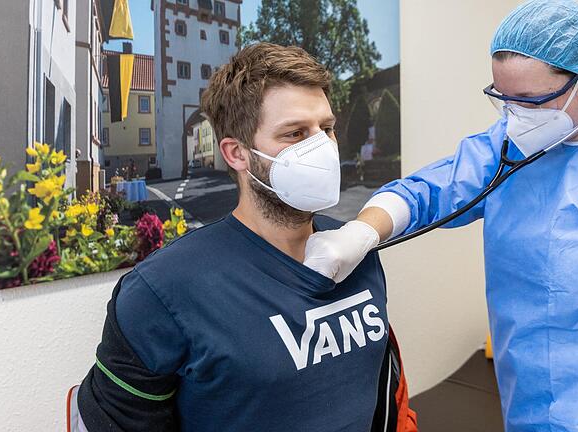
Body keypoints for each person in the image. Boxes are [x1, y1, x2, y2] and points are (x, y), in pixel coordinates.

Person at [302, 1, 578, 431]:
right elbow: (431, 190)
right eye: (503, 99)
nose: (514, 117)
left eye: (529, 100)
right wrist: (360, 232)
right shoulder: (515, 146)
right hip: (523, 407)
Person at [69, 43, 416, 432]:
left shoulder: (357, 247)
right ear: (237, 154)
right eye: (295, 133)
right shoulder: (162, 291)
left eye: (327, 128)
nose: (324, 148)